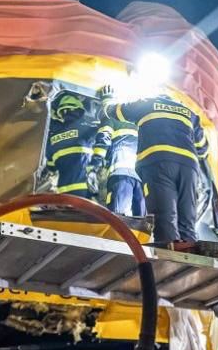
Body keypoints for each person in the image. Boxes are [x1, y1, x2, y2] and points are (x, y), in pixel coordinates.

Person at [103, 89, 209, 245]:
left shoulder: (146, 103)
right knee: (187, 220)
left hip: (157, 162)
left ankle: (169, 260)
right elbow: (203, 147)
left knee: (165, 218)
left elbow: (115, 112)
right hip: (189, 167)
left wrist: (107, 100)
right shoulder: (189, 113)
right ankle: (189, 252)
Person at [95, 86, 146, 217]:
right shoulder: (141, 123)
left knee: (117, 218)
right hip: (142, 178)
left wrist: (95, 164)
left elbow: (103, 137)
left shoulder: (113, 118)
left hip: (121, 174)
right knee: (142, 223)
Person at [44, 92, 103, 198]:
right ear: (79, 110)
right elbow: (105, 136)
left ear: (61, 113)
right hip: (86, 192)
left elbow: (51, 167)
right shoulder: (88, 129)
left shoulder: (52, 137)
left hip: (64, 194)